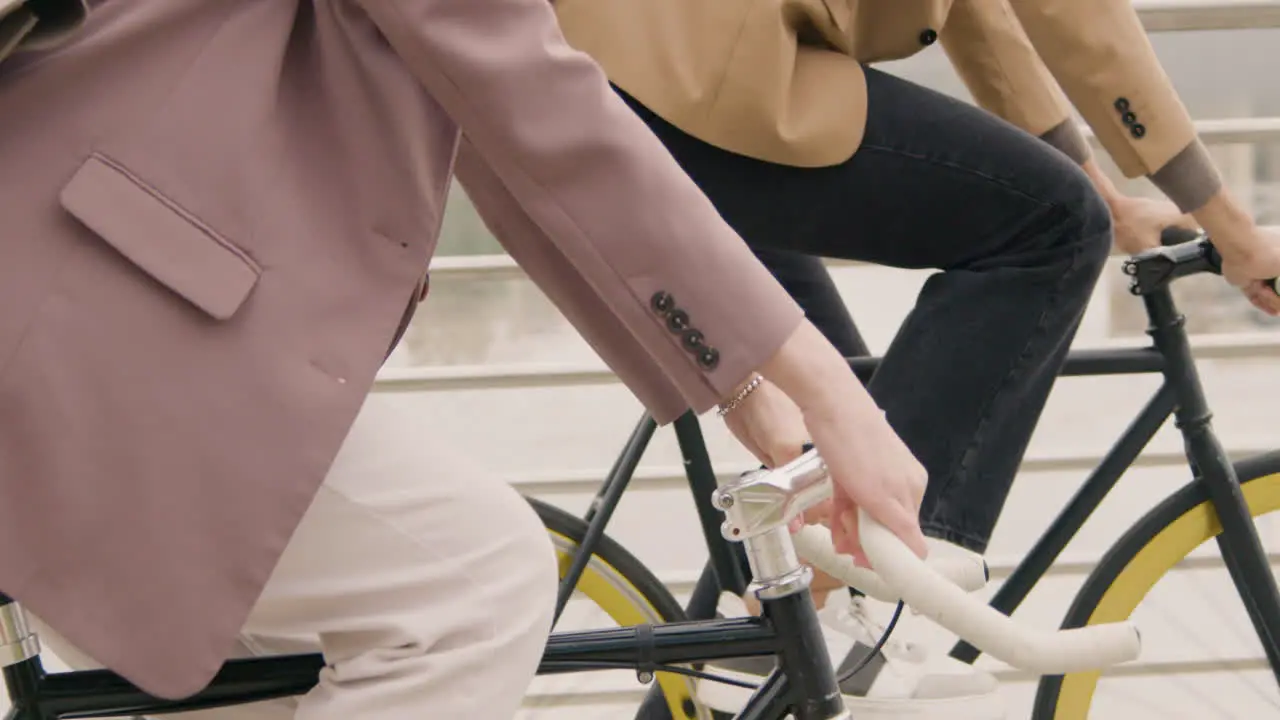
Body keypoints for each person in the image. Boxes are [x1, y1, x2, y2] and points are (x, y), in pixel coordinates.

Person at [0, 1, 934, 719]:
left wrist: (751, 398)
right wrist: (840, 400)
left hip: (85, 285)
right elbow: (542, 107)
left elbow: (500, 126)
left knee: (279, 668)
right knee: (475, 582)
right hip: (91, 310)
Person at [550, 0, 1280, 716]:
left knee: (831, 445)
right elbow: (1077, 20)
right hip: (685, 90)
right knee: (1054, 226)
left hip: (630, 78)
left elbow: (985, 21)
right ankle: (864, 606)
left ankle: (777, 646)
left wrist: (1111, 199)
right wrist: (1235, 232)